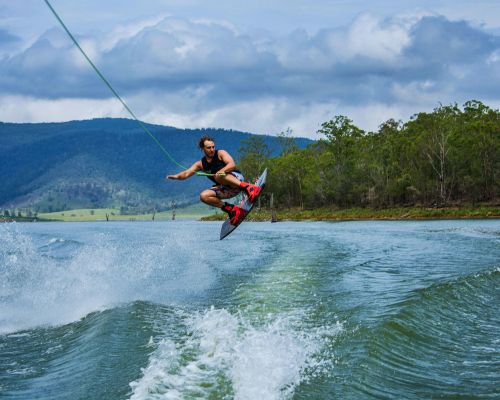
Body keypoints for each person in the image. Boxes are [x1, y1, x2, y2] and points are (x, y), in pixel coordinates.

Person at [166, 135, 261, 225]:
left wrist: (222, 171)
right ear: (203, 149)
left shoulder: (220, 153)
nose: (212, 149)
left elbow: (232, 165)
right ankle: (231, 210)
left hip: (237, 180)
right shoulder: (200, 164)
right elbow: (186, 173)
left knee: (218, 176)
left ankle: (249, 188)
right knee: (204, 196)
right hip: (227, 189)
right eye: (209, 148)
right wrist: (176, 177)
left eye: (213, 147)